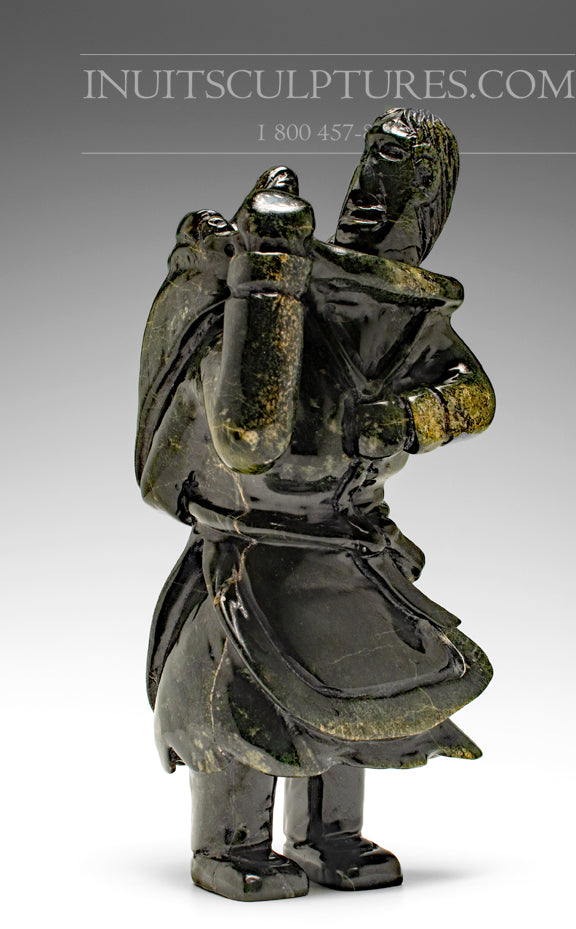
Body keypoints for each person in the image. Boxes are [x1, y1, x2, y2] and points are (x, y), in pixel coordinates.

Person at [136, 108, 495, 901]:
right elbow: (246, 431)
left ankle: (329, 833)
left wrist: (409, 416)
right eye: (371, 167)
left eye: (397, 174)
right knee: (243, 697)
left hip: (345, 538)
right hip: (253, 541)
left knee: (352, 691)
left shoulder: (412, 313)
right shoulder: (293, 275)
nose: (370, 191)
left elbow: (471, 394)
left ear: (430, 201)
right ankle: (230, 841)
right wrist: (259, 273)